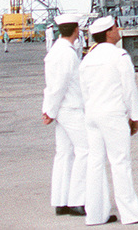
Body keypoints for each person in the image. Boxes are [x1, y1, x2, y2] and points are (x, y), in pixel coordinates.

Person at [80, 15, 138, 224]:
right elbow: (129, 90)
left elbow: (84, 91)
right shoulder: (119, 56)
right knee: (120, 163)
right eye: (115, 27)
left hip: (92, 115)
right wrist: (134, 117)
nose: (118, 30)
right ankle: (132, 214)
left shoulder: (87, 59)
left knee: (95, 163)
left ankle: (95, 215)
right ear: (108, 33)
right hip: (113, 115)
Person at [42, 13, 88, 217]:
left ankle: (61, 201)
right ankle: (77, 200)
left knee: (64, 154)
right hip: (70, 108)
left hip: (62, 109)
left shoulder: (58, 50)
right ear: (76, 30)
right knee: (85, 150)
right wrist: (49, 111)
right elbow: (58, 86)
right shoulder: (66, 54)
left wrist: (49, 109)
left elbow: (51, 86)